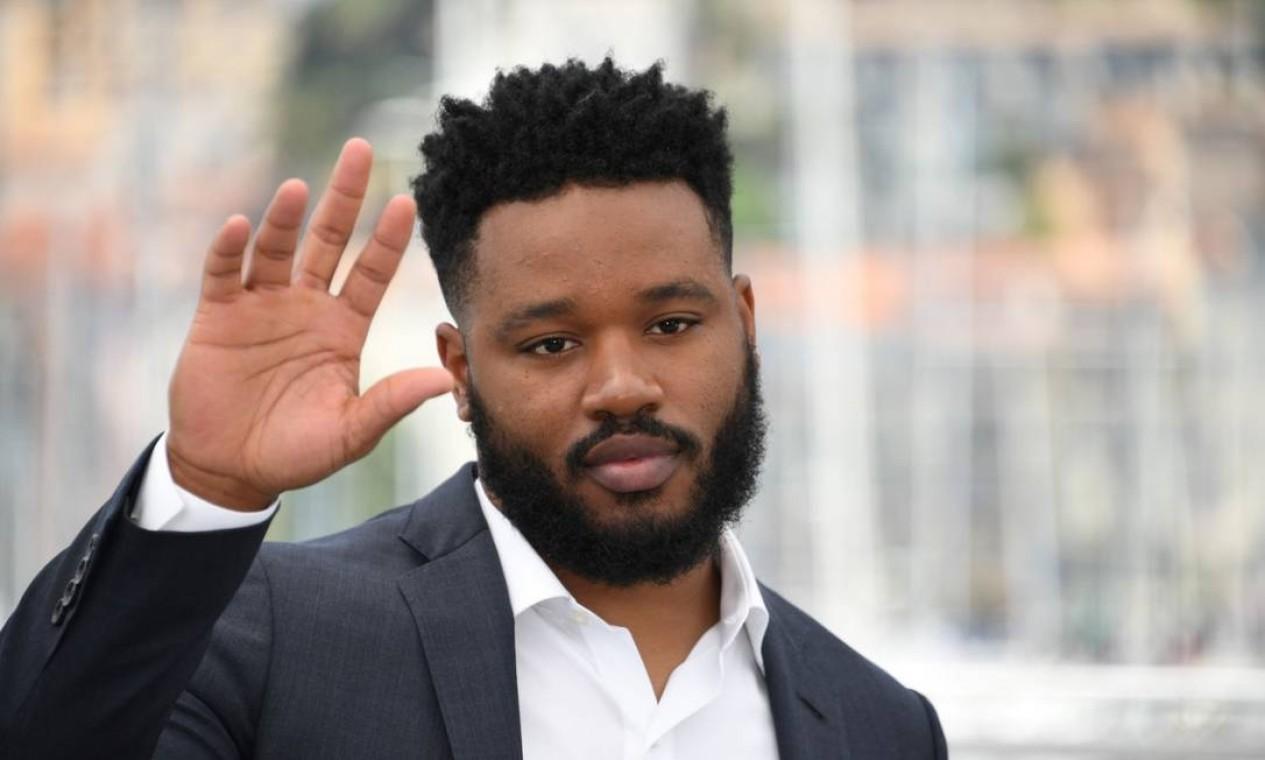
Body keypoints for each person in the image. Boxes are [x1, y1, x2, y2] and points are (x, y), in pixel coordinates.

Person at [0, 58, 947, 759]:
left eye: (670, 324)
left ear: (743, 322)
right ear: (458, 368)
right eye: (550, 344)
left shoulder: (879, 725)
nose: (621, 386)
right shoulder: (270, 633)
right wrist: (204, 488)